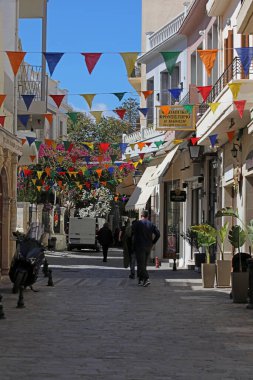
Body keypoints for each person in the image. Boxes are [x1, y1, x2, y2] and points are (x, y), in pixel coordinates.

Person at [132, 210, 160, 287]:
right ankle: (141, 280)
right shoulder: (151, 224)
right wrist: (153, 242)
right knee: (144, 263)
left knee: (140, 264)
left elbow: (131, 233)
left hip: (139, 246)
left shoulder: (137, 223)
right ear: (148, 216)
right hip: (148, 246)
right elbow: (158, 234)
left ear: (141, 215)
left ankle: (146, 278)